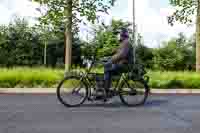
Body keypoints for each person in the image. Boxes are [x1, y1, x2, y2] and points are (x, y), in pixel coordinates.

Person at [103, 28, 130, 96]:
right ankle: (107, 87)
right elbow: (116, 52)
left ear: (122, 34)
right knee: (107, 66)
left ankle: (106, 89)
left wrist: (111, 60)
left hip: (124, 64)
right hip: (121, 63)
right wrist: (106, 56)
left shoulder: (126, 42)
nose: (118, 36)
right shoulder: (123, 43)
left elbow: (121, 55)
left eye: (119, 34)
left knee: (107, 67)